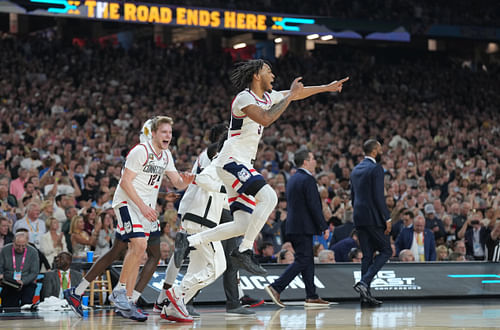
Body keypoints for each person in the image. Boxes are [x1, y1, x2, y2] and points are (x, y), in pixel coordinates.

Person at [174, 59, 348, 276]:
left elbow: (293, 93)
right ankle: (244, 250)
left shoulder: (267, 97)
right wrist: (292, 96)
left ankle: (190, 241)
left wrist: (326, 88)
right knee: (270, 197)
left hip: (240, 165)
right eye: (269, 71)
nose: (273, 75)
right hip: (231, 161)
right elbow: (266, 119)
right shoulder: (244, 98)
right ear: (256, 75)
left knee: (242, 224)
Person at [64, 116, 193, 321]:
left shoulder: (166, 155)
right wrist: (143, 206)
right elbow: (125, 183)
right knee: (140, 245)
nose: (168, 136)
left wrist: (188, 180)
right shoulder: (141, 151)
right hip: (127, 204)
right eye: (164, 132)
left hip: (146, 208)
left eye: (170, 132)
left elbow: (177, 181)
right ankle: (121, 293)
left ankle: (122, 300)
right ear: (153, 133)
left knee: (130, 250)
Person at [265, 149, 329, 308]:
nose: (315, 161)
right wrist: (323, 226)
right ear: (306, 161)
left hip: (293, 225)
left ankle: (311, 295)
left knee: (307, 261)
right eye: (313, 158)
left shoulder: (293, 179)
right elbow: (314, 206)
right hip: (303, 227)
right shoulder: (308, 179)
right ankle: (276, 287)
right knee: (303, 259)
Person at [350, 139, 392, 307]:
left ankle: (365, 297)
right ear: (375, 151)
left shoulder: (356, 169)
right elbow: (378, 197)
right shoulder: (376, 169)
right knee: (386, 250)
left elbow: (353, 197)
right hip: (374, 218)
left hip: (359, 217)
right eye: (380, 149)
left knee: (367, 256)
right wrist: (387, 218)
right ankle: (364, 282)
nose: (382, 151)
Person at [0, 232, 40, 307]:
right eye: (18, 245)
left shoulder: (33, 252)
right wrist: (1, 275)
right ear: (13, 242)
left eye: (23, 246)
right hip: (9, 282)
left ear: (27, 243)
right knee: (8, 306)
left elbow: (34, 272)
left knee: (26, 303)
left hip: (27, 283)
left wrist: (23, 281)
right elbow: (0, 266)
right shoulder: (5, 250)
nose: (20, 248)